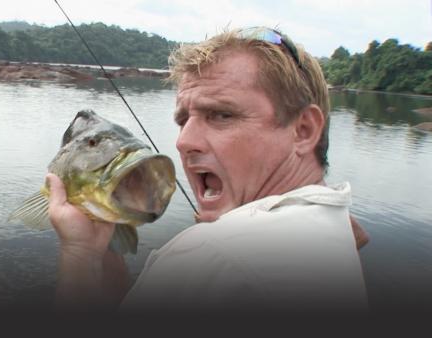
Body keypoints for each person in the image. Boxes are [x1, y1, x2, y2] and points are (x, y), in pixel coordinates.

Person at [46, 26, 369, 313]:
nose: (183, 141)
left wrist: (77, 259)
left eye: (221, 115)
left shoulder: (214, 258)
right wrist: (94, 252)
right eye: (183, 119)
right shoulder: (330, 224)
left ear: (303, 130)